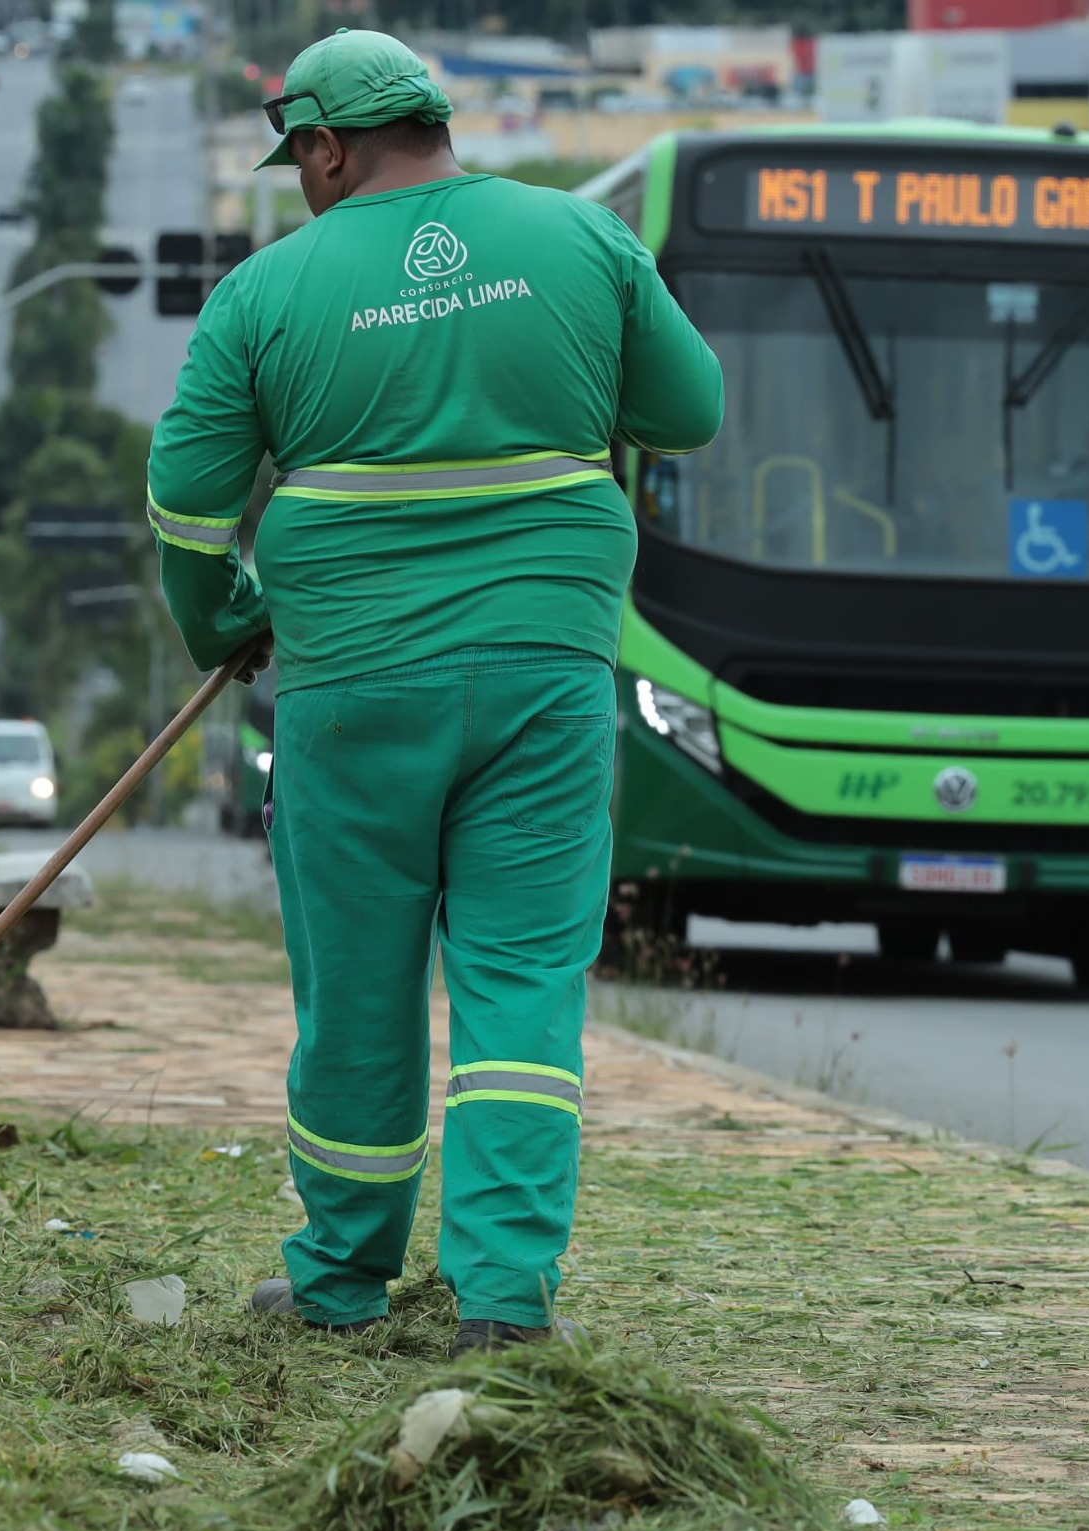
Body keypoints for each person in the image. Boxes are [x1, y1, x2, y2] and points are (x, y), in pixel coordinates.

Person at [145, 30, 723, 1355]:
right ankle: (507, 1301)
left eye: (300, 153)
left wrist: (224, 626)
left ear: (329, 147)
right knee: (523, 985)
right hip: (546, 673)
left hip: (353, 686)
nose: (301, 175)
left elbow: (187, 510)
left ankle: (343, 1278)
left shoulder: (265, 295)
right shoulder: (583, 241)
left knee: (358, 984)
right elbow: (689, 410)